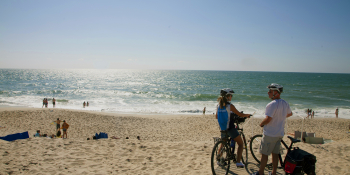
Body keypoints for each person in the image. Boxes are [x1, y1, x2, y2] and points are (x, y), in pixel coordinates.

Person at [251, 84, 293, 175]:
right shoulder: (285, 103)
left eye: (270, 91)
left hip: (270, 133)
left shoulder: (272, 104)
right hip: (279, 133)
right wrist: (280, 116)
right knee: (275, 154)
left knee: (264, 154)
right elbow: (290, 114)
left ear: (276, 93)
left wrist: (261, 124)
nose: (268, 93)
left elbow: (268, 119)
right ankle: (274, 173)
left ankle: (261, 172)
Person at [216, 88, 251, 168]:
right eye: (231, 95)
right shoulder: (230, 106)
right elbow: (240, 114)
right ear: (227, 96)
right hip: (230, 128)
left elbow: (216, 116)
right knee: (241, 144)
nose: (231, 97)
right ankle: (238, 162)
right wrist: (247, 115)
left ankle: (218, 160)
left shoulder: (219, 105)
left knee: (222, 144)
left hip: (223, 129)